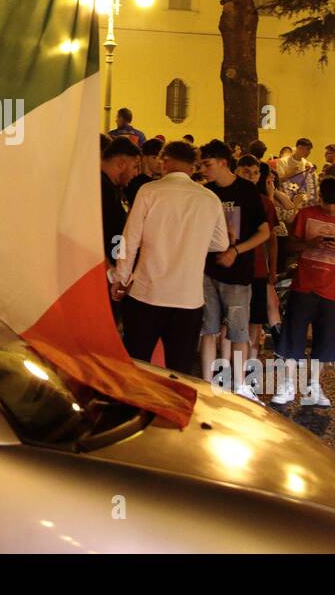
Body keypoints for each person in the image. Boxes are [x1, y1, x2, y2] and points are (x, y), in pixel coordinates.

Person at [112, 142, 229, 375]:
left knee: (137, 364)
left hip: (147, 292)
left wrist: (121, 278)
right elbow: (221, 243)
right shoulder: (209, 198)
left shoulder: (149, 191)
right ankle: (175, 408)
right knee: (180, 368)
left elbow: (129, 239)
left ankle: (137, 407)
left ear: (166, 161)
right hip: (188, 298)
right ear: (192, 165)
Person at [272, 177, 335, 406]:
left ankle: (314, 386)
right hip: (304, 285)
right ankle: (288, 384)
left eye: (334, 204)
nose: (330, 208)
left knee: (326, 342)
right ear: (320, 197)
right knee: (293, 336)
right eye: (326, 202)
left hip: (332, 290)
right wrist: (310, 243)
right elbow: (291, 245)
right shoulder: (306, 214)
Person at [199, 140, 270, 400]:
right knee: (209, 329)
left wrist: (235, 251)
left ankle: (240, 386)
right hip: (209, 272)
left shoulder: (247, 192)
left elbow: (264, 232)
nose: (204, 170)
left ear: (222, 163)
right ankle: (208, 384)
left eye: (207, 164)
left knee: (239, 331)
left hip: (239, 275)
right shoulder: (205, 193)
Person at [237, 156, 280, 355]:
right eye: (246, 172)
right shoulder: (228, 199)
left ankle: (250, 366)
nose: (251, 177)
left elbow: (271, 239)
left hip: (258, 270)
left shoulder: (266, 204)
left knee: (255, 321)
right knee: (233, 323)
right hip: (234, 269)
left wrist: (273, 269)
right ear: (237, 171)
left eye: (255, 173)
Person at [101, 136, 141, 265]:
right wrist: (115, 266)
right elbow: (109, 234)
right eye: (135, 167)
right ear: (122, 164)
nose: (136, 174)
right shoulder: (102, 189)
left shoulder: (113, 189)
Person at [126, 137, 164, 206]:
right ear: (145, 158)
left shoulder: (165, 182)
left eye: (161, 158)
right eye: (154, 157)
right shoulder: (134, 184)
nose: (159, 162)